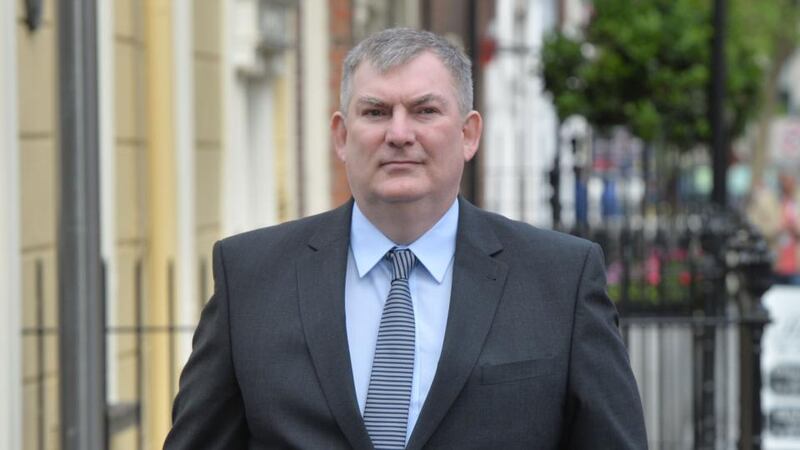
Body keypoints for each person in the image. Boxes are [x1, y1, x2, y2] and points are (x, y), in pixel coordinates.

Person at [164, 28, 647, 449]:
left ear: (468, 134)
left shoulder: (560, 280)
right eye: (375, 112)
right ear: (340, 135)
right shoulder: (249, 276)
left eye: (424, 110)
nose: (399, 133)